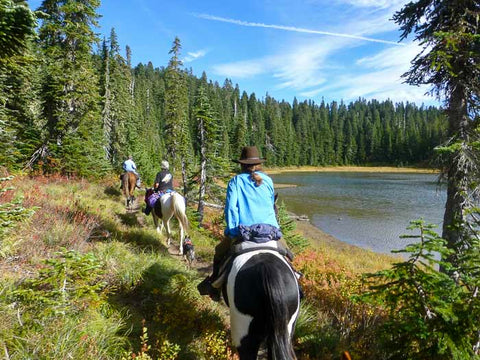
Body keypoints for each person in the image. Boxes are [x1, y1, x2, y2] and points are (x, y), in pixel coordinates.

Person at [198, 146, 289, 301]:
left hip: (245, 231)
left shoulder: (235, 182)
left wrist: (233, 232)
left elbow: (231, 209)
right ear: (259, 164)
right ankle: (296, 281)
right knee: (287, 253)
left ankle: (214, 285)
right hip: (270, 231)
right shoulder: (268, 180)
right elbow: (271, 206)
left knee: (219, 251)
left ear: (242, 164)